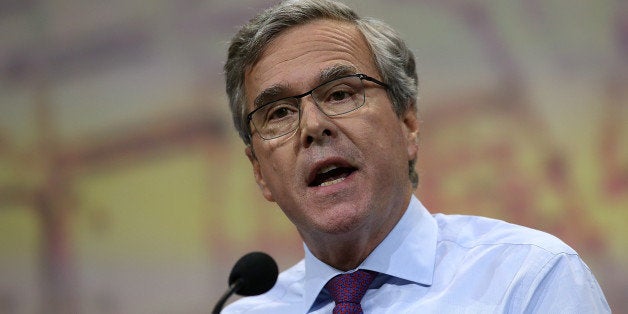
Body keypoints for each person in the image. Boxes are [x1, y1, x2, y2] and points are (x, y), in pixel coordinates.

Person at [222, 0, 610, 312]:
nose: (312, 126)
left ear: (407, 124)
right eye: (279, 113)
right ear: (259, 172)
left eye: (340, 94)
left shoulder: (528, 279)